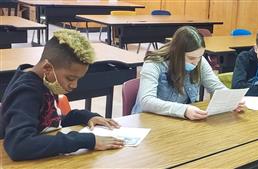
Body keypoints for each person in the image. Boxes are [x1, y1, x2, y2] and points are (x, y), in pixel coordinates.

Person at [0, 29, 124, 161]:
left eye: (78, 79)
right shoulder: (26, 92)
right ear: (47, 68)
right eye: (70, 78)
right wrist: (86, 140)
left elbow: (50, 121)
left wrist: (85, 117)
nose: (74, 85)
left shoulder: (46, 80)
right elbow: (19, 145)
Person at [132, 26, 243, 120]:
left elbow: (215, 86)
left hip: (177, 120)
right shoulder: (153, 63)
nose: (195, 62)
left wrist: (231, 100)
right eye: (191, 58)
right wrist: (184, 110)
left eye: (199, 57)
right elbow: (146, 101)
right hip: (149, 120)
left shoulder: (198, 60)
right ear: (176, 53)